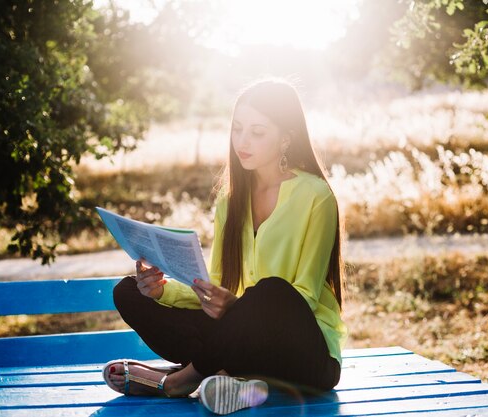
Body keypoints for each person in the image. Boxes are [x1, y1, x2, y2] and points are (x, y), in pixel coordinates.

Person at [102, 76, 349, 415]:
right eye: (237, 129)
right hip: (245, 343)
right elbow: (219, 285)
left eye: (257, 132)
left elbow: (302, 297)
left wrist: (237, 308)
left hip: (307, 355)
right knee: (128, 291)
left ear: (286, 139)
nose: (242, 141)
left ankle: (179, 380)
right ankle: (234, 379)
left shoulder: (316, 197)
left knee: (272, 291)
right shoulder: (230, 200)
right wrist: (161, 292)